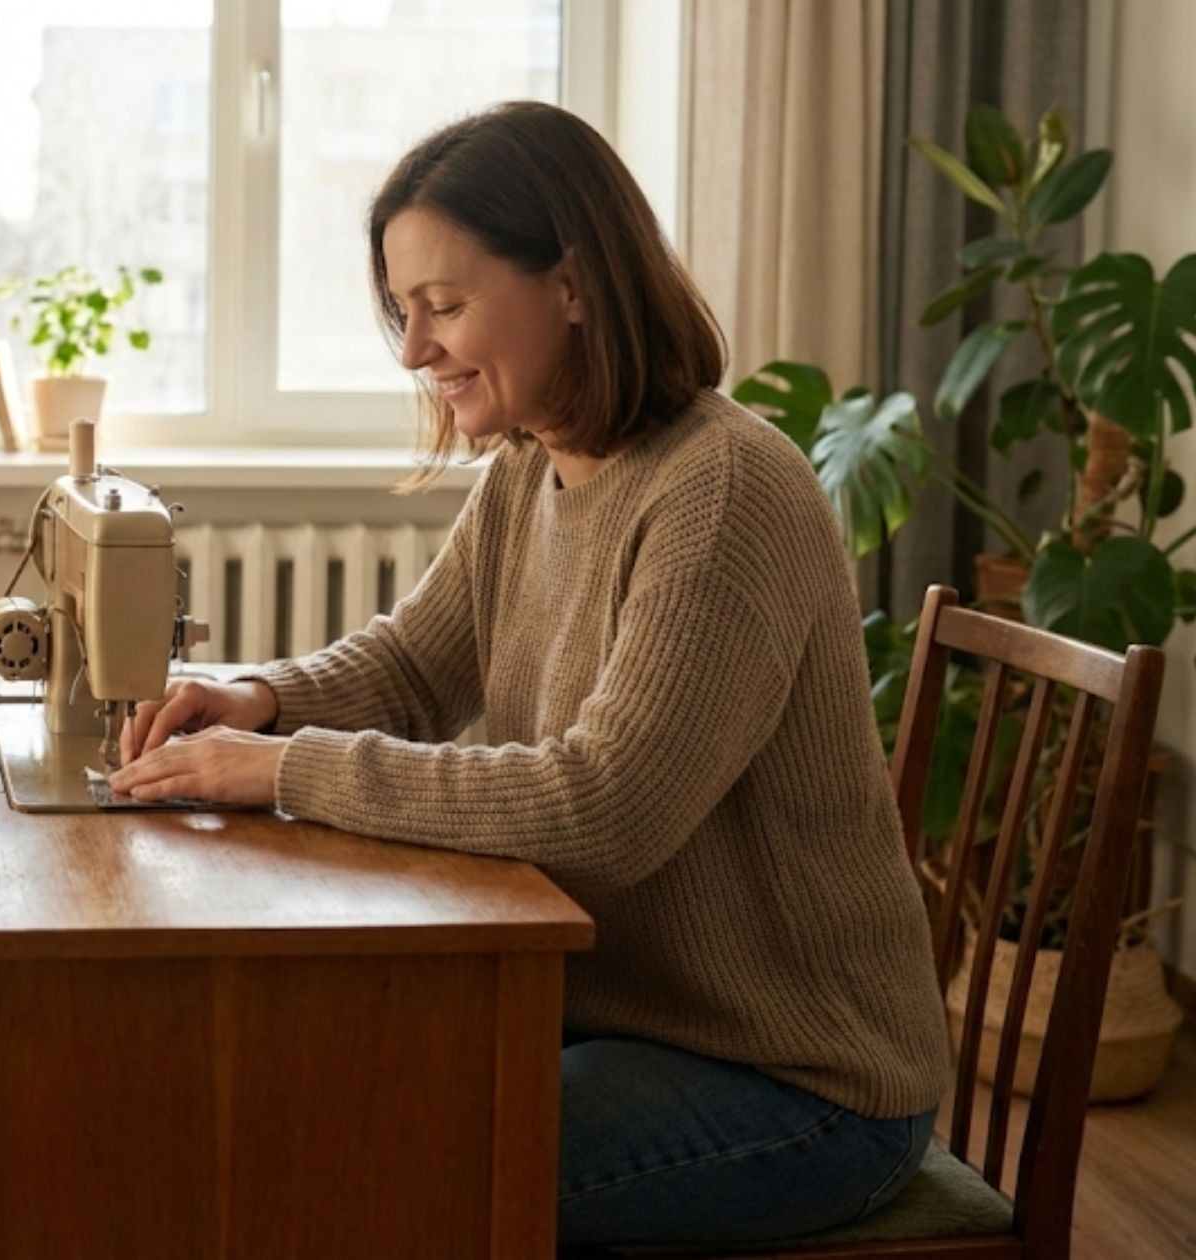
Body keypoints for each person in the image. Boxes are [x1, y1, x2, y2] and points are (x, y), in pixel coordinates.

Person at [107, 100, 949, 1246]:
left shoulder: (721, 492)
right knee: (298, 1095)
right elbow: (413, 661)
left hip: (798, 1080)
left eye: (443, 307)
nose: (413, 351)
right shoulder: (530, 471)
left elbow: (603, 808)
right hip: (620, 1018)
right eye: (402, 313)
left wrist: (280, 767)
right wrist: (261, 697)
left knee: (360, 1168)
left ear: (572, 283)